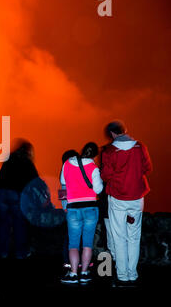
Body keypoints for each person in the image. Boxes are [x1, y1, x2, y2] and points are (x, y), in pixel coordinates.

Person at [101, 121, 152, 285]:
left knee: (119, 237)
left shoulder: (109, 151)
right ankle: (133, 273)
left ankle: (123, 276)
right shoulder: (140, 147)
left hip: (117, 197)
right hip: (137, 197)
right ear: (125, 130)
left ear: (112, 134)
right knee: (134, 237)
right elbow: (148, 168)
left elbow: (106, 175)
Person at [60, 142, 103, 284]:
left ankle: (73, 274)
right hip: (90, 208)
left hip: (73, 208)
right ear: (95, 155)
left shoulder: (67, 164)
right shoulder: (94, 168)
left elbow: (63, 182)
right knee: (87, 243)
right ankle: (84, 272)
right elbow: (98, 190)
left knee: (73, 244)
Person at [0, 140, 38, 260]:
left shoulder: (8, 160)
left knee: (3, 224)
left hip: (1, 193)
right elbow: (35, 181)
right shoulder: (27, 163)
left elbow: (0, 177)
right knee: (19, 225)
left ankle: (2, 252)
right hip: (16, 194)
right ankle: (20, 253)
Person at [58, 149, 79, 272]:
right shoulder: (77, 170)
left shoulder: (64, 171)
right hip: (76, 208)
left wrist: (64, 207)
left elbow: (62, 191)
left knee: (70, 236)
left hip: (70, 209)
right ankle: (72, 262)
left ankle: (68, 261)